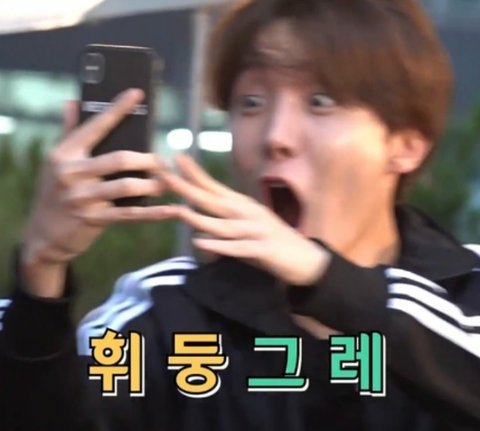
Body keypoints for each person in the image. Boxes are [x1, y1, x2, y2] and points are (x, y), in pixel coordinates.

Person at [1, 0, 479, 430]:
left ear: (406, 145)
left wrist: (326, 277)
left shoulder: (466, 296)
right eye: (251, 103)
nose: (275, 136)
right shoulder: (164, 312)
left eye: (320, 102)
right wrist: (41, 273)